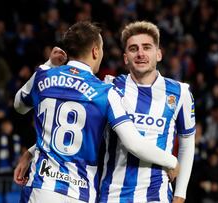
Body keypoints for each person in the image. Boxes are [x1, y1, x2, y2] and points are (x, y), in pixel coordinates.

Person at [16, 21, 195, 203]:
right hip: (111, 195)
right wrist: (31, 152)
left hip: (156, 195)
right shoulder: (110, 87)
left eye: (147, 47)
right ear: (125, 58)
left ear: (158, 54)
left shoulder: (180, 92)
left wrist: (180, 194)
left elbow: (187, 144)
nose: (140, 53)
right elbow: (76, 124)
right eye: (133, 49)